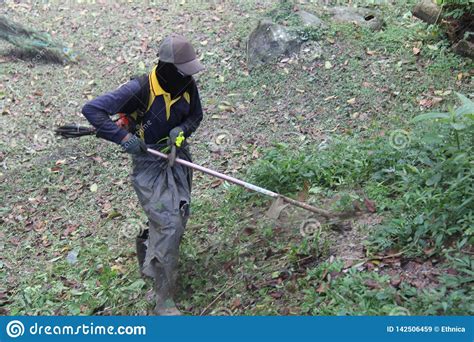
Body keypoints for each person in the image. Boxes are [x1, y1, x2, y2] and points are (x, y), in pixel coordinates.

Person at [81, 34, 204, 315]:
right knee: (169, 223)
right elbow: (92, 110)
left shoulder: (187, 85)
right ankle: (164, 300)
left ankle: (147, 248)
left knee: (179, 213)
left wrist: (181, 132)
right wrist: (124, 138)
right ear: (167, 67)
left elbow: (195, 116)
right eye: (184, 72)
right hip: (148, 164)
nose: (189, 77)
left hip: (177, 157)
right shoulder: (139, 88)